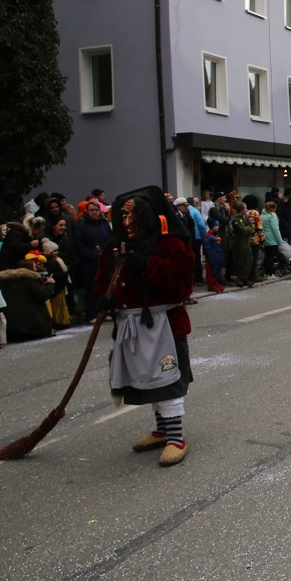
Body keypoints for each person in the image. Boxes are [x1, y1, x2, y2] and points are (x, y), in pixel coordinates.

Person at [94, 187, 195, 467]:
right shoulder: (116, 246)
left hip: (164, 324)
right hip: (132, 325)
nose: (127, 222)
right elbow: (103, 278)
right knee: (145, 377)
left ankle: (176, 437)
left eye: (133, 215)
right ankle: (162, 430)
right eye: (123, 215)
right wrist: (104, 300)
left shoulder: (169, 244)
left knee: (167, 377)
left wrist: (144, 264)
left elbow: (181, 281)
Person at [229, 202, 255, 287]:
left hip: (246, 241)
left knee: (249, 260)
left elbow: (251, 228)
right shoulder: (235, 219)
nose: (246, 210)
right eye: (245, 208)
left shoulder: (246, 217)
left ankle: (245, 278)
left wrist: (247, 229)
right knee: (240, 260)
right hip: (239, 242)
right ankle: (240, 278)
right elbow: (243, 230)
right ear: (241, 209)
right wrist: (247, 229)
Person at [260, 201, 283, 276]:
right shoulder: (272, 216)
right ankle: (270, 273)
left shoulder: (262, 216)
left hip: (265, 238)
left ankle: (266, 273)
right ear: (273, 208)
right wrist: (279, 241)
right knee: (271, 257)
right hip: (272, 239)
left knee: (267, 256)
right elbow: (275, 229)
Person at [202, 218, 226, 293]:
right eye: (216, 225)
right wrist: (210, 257)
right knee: (212, 271)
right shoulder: (208, 236)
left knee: (217, 270)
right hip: (213, 256)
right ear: (212, 226)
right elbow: (207, 248)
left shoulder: (215, 235)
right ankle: (212, 285)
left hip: (217, 255)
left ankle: (216, 284)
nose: (218, 227)